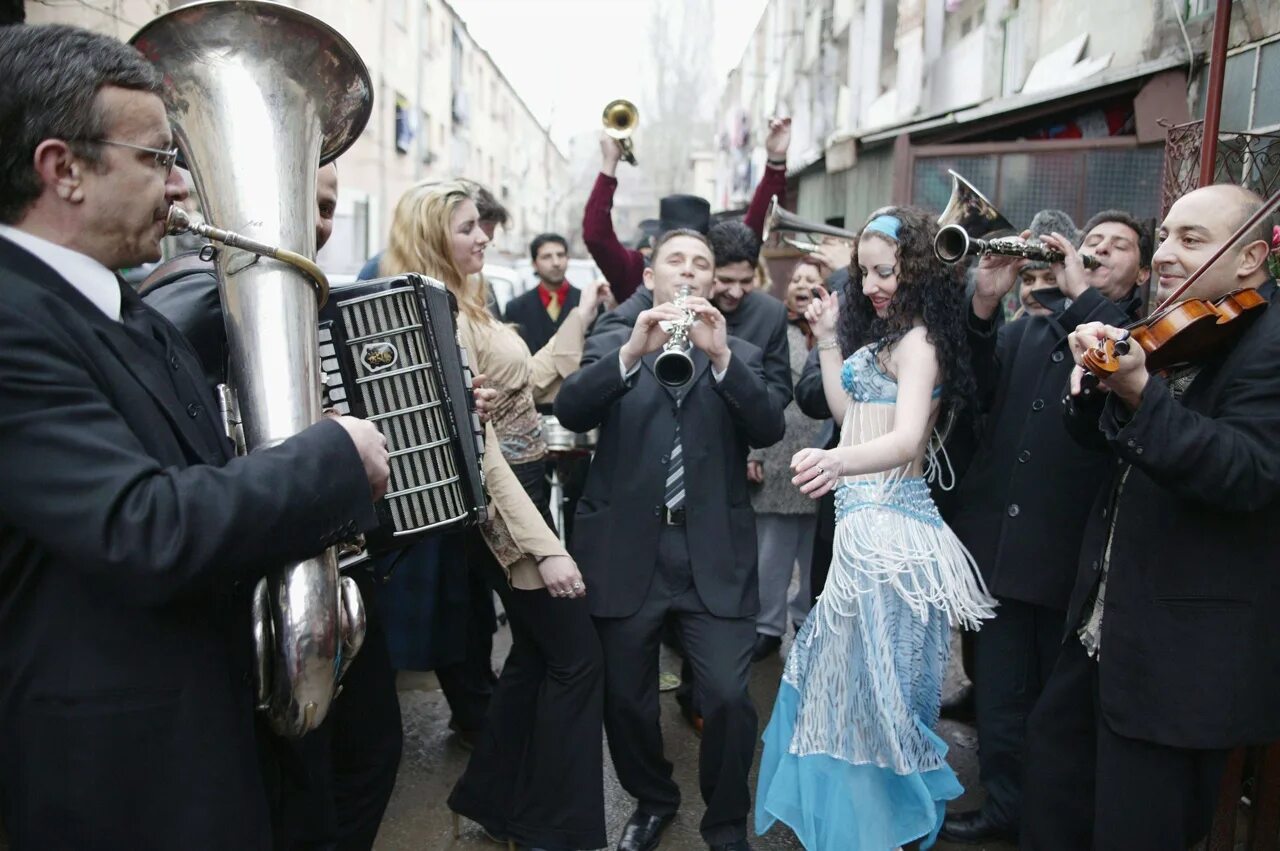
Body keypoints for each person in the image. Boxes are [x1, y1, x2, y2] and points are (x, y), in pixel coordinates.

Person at [0, 24, 389, 850]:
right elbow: (142, 525)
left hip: (213, 738)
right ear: (62, 168)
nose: (181, 187)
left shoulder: (123, 312)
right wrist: (328, 457)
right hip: (123, 778)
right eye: (157, 158)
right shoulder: (11, 319)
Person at [141, 161, 405, 851]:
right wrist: (320, 453)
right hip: (260, 589)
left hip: (332, 572)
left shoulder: (318, 302)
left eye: (326, 209)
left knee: (365, 758)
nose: (316, 224)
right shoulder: (196, 302)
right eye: (307, 203)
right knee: (308, 780)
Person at [1021, 184, 1280, 849]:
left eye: (1191, 239)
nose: (1165, 253)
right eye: (1164, 235)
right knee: (1052, 808)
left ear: (1252, 257)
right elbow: (1115, 443)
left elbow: (1247, 471)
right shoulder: (1183, 324)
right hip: (1098, 633)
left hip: (1176, 660)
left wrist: (1140, 391)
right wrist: (1093, 392)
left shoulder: (1267, 341)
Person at [755, 207, 996, 851]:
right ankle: (864, 828)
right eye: (864, 272)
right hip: (863, 525)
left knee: (880, 692)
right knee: (853, 689)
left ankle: (882, 828)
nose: (870, 285)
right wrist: (829, 338)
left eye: (884, 271)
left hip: (892, 528)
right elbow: (847, 409)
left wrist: (835, 461)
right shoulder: (888, 337)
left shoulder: (920, 342)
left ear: (916, 269)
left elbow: (906, 438)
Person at [377, 181, 606, 851]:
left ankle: (495, 799)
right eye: (468, 227)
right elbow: (480, 457)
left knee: (537, 655)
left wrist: (583, 318)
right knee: (576, 658)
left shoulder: (462, 300)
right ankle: (551, 828)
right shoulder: (433, 312)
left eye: (482, 224)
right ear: (429, 235)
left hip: (524, 492)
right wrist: (547, 548)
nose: (484, 236)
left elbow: (530, 380)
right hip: (507, 512)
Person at [555, 228, 785, 851]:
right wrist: (631, 353)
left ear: (714, 282)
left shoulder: (737, 349)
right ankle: (653, 799)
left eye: (701, 264)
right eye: (675, 261)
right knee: (627, 702)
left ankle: (725, 821)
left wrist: (720, 359)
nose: (688, 272)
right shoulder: (614, 337)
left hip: (712, 553)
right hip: (627, 553)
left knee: (730, 699)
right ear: (650, 276)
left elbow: (767, 423)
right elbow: (571, 410)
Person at [939, 209, 1151, 845]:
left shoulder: (1139, 335)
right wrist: (983, 305)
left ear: (1141, 271)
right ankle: (1004, 805)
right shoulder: (1028, 330)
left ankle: (1048, 820)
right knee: (999, 698)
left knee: (1056, 711)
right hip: (1002, 549)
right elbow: (970, 390)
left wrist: (1079, 292)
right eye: (1092, 243)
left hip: (1071, 557)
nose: (1101, 251)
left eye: (1119, 247)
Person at [583, 117, 793, 302]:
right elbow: (596, 237)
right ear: (652, 263)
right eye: (675, 258)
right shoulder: (635, 275)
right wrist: (608, 163)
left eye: (699, 260)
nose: (687, 270)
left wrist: (776, 161)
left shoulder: (720, 285)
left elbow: (754, 230)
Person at [746, 258, 826, 661]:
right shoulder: (776, 330)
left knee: (815, 555)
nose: (802, 284)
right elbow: (760, 391)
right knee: (771, 554)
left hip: (826, 459)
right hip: (778, 458)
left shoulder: (838, 332)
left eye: (812, 279)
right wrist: (753, 451)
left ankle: (807, 622)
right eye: (796, 279)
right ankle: (767, 625)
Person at [504, 232, 582, 354]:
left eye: (561, 255)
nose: (556, 263)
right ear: (534, 264)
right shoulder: (516, 308)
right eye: (547, 257)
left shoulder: (587, 302)